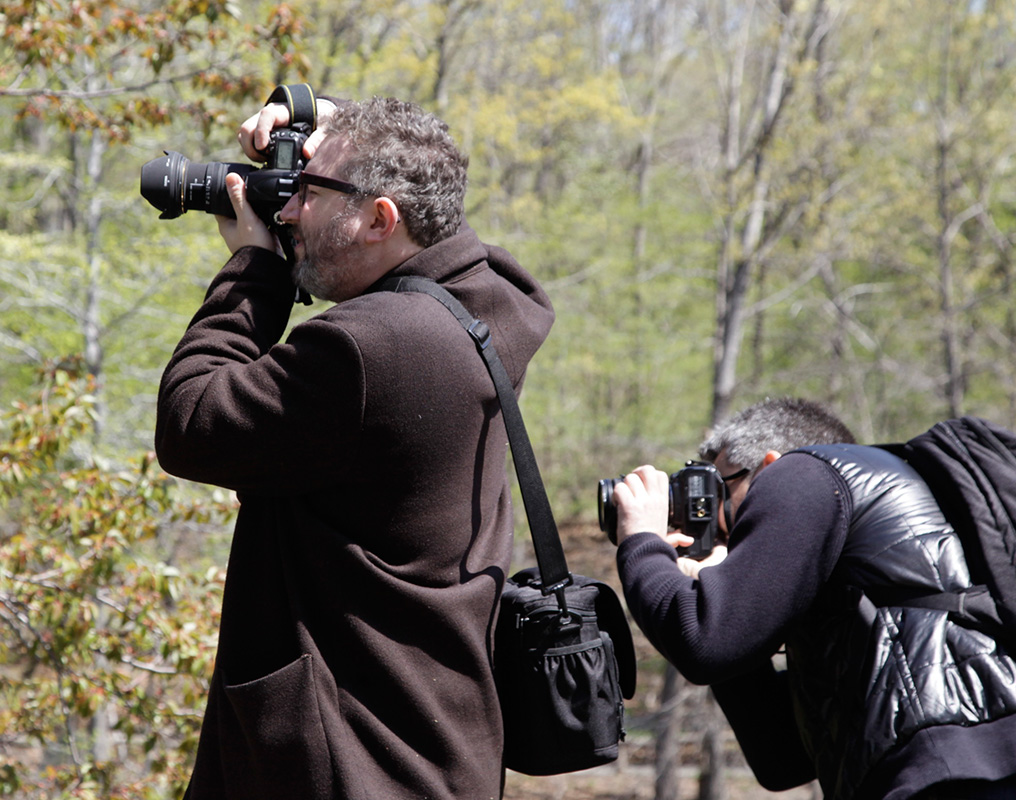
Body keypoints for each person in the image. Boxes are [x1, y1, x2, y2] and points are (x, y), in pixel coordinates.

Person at [155, 95, 554, 799]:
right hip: (436, 752)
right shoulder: (490, 308)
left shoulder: (372, 347)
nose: (283, 212)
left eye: (306, 194)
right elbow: (430, 202)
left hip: (345, 764)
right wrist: (323, 119)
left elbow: (190, 421)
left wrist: (253, 270)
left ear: (379, 219)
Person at [610, 397, 1016, 800]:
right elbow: (781, 760)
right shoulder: (854, 586)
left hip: (956, 775)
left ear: (770, 465)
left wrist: (641, 539)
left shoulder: (802, 470)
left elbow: (702, 641)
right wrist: (715, 593)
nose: (709, 526)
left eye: (714, 492)